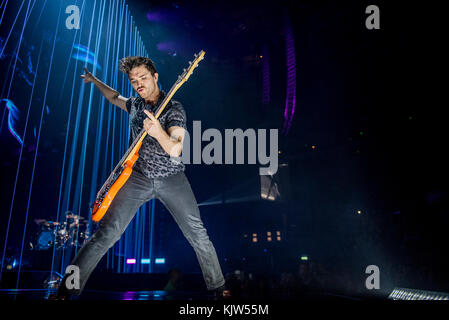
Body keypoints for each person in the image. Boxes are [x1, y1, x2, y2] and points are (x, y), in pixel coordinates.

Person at [50, 56, 230, 300]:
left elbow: (177, 148)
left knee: (197, 234)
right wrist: (94, 80)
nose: (139, 84)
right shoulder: (135, 105)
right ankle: (65, 289)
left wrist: (158, 133)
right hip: (138, 177)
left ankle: (220, 288)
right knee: (105, 233)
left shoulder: (174, 108)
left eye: (143, 78)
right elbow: (114, 97)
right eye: (134, 81)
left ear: (155, 77)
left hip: (171, 178)